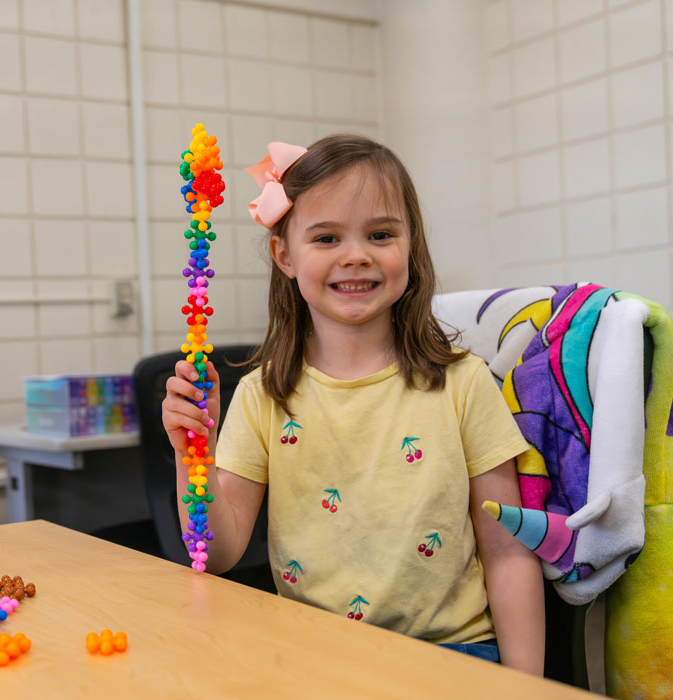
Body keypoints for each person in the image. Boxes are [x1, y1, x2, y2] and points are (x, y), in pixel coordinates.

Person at [162, 135, 545, 675]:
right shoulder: (261, 396)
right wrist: (191, 457)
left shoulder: (463, 383)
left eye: (381, 233)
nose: (356, 254)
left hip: (453, 657)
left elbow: (508, 554)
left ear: (410, 246)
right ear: (284, 255)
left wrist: (526, 688)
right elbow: (217, 553)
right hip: (311, 658)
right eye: (326, 237)